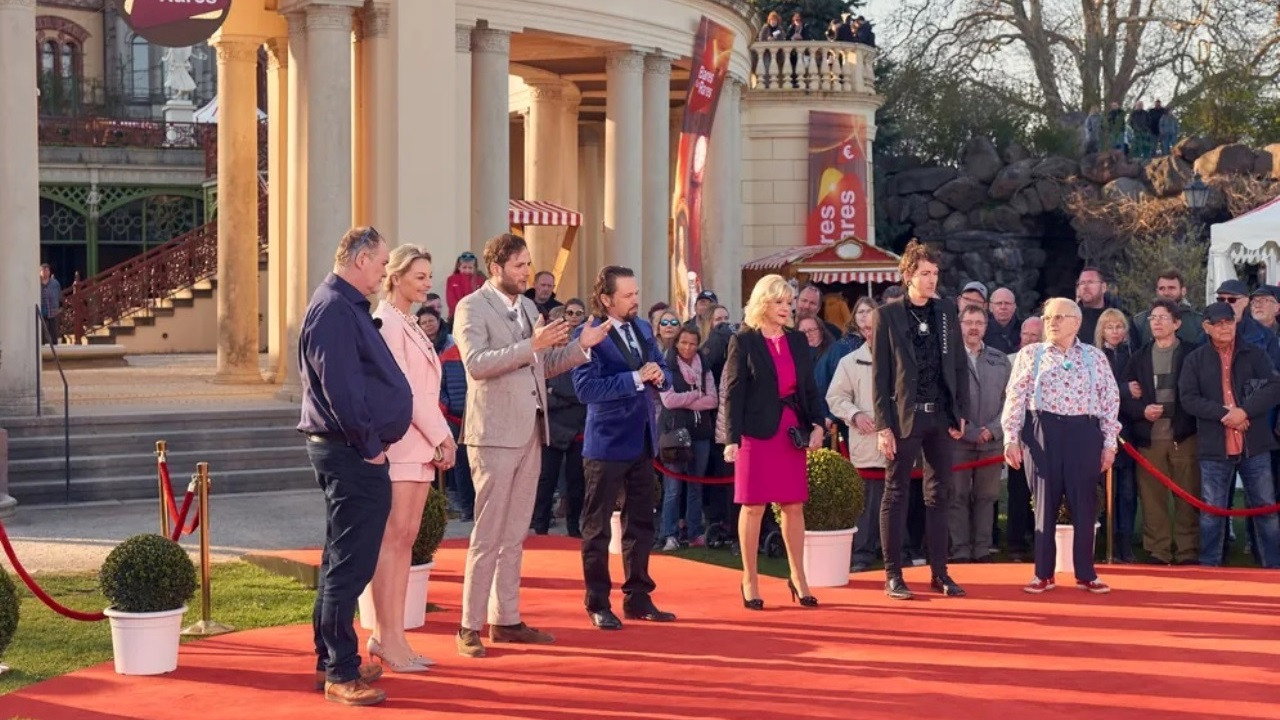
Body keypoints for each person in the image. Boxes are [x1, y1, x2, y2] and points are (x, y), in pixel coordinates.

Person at [452, 234, 608, 658]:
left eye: (527, 264)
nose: (527, 272)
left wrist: (580, 347)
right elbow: (476, 364)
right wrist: (531, 345)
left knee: (515, 533)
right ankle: (469, 625)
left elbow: (543, 365)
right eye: (519, 265)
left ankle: (506, 619)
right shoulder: (471, 307)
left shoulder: (527, 308)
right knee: (488, 534)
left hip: (531, 432)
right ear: (496, 268)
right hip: (493, 433)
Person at [298, 226, 411, 706]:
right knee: (350, 564)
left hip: (349, 449)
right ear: (362, 259)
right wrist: (369, 447)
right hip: (350, 451)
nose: (385, 271)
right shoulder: (333, 309)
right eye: (383, 262)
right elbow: (341, 388)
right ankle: (340, 671)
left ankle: (330, 658)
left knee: (341, 560)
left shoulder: (343, 305)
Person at [572, 265, 676, 630]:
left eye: (636, 293)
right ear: (606, 299)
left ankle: (638, 597)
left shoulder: (643, 328)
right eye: (627, 295)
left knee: (642, 524)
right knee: (597, 528)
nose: (635, 300)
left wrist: (661, 376)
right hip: (606, 443)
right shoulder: (588, 334)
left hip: (643, 440)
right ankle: (598, 602)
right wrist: (635, 378)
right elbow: (586, 389)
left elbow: (663, 369)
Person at [369, 245, 457, 672]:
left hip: (418, 445)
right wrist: (443, 436)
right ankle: (386, 637)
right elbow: (407, 391)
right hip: (403, 444)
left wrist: (435, 438)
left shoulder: (407, 322)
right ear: (396, 276)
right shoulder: (387, 322)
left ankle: (394, 637)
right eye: (420, 276)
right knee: (394, 542)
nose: (427, 284)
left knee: (405, 542)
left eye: (429, 276)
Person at [1002, 297, 1121, 595]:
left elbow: (1110, 401)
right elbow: (1015, 396)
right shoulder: (1031, 354)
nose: (1051, 323)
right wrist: (1011, 438)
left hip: (1084, 431)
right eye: (1047, 318)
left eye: (1058, 317)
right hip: (1042, 431)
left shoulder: (1095, 357)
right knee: (1044, 503)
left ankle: (1086, 574)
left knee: (1084, 504)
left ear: (1076, 322)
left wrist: (1109, 443)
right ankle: (1043, 574)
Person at [872, 240, 969, 600]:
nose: (932, 280)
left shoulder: (945, 311)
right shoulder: (887, 315)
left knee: (939, 494)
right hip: (903, 418)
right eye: (926, 273)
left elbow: (958, 365)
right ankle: (893, 575)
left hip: (940, 417)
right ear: (909, 275)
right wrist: (883, 426)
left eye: (935, 273)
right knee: (896, 494)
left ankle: (940, 573)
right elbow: (880, 376)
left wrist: (960, 413)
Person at [722, 274, 824, 609]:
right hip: (754, 432)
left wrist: (817, 424)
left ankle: (799, 576)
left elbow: (809, 387)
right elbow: (734, 393)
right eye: (779, 302)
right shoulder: (744, 340)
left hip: (790, 430)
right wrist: (732, 439)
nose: (786, 308)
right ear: (763, 303)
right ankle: (749, 578)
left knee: (793, 505)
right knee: (753, 506)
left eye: (788, 302)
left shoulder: (797, 340)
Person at [1178, 302, 1280, 568]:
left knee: (1266, 508)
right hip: (1214, 446)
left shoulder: (1255, 353)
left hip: (1254, 444)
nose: (1225, 328)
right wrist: (1226, 414)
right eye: (1219, 323)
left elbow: (1274, 387)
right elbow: (1188, 399)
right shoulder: (1195, 359)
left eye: (1229, 322)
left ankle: (1272, 567)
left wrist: (1244, 412)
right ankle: (1210, 566)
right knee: (1212, 511)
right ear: (1206, 327)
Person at [1121, 299, 1200, 565]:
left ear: (1177, 323)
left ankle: (1188, 550)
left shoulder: (1192, 354)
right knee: (1152, 498)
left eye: (1163, 317)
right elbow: (1124, 398)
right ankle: (1158, 550)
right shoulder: (1139, 357)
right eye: (1153, 317)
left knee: (1188, 496)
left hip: (1184, 436)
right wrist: (1142, 411)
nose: (1156, 322)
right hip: (1150, 439)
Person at [827, 300, 888, 572]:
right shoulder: (849, 362)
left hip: (898, 443)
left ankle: (898, 551)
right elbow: (835, 397)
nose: (872, 332)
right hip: (866, 443)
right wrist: (855, 415)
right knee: (867, 503)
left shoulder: (903, 359)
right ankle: (862, 553)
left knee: (898, 500)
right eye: (868, 328)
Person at [950, 305, 1011, 563]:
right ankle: (960, 550)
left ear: (986, 327)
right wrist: (967, 430)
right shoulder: (949, 358)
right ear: (959, 325)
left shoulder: (1000, 359)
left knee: (986, 497)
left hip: (991, 441)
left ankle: (982, 550)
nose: (974, 328)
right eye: (968, 322)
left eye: (979, 323)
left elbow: (1010, 400)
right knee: (958, 496)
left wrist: (993, 429)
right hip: (958, 440)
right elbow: (946, 397)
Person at [533, 299, 590, 537]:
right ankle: (540, 528)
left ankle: (574, 528)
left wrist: (557, 393)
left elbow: (582, 392)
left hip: (578, 428)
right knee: (546, 480)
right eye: (569, 313)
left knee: (576, 482)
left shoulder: (581, 355)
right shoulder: (545, 356)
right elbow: (541, 394)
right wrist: (560, 395)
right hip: (552, 428)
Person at [658, 326, 717, 550]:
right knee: (673, 488)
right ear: (676, 343)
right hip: (674, 434)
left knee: (696, 486)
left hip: (700, 433)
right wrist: (694, 395)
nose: (688, 347)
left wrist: (685, 400)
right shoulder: (666, 366)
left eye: (692, 343)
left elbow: (712, 400)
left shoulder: (705, 367)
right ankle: (669, 534)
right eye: (684, 342)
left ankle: (694, 533)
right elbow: (668, 400)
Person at [1097, 307, 1138, 563]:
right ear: (1102, 330)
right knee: (1104, 491)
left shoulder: (1133, 355)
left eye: (1119, 326)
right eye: (1110, 327)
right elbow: (1099, 390)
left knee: (1127, 491)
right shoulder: (1094, 356)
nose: (1115, 331)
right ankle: (1107, 541)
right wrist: (1124, 389)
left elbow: (1139, 390)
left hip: (1128, 431)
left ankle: (1125, 542)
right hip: (1100, 432)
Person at [1005, 315, 1044, 560]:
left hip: (1043, 437)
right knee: (1018, 493)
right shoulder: (1009, 361)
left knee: (1042, 492)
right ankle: (1016, 545)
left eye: (1035, 336)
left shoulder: (1051, 362)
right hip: (1017, 437)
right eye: (1026, 334)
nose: (1029, 339)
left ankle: (1040, 539)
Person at [438, 341, 474, 521]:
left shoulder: (479, 351)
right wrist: (447, 406)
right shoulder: (447, 356)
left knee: (480, 465)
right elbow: (438, 387)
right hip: (455, 419)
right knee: (461, 466)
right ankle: (467, 508)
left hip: (477, 418)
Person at [1215, 279, 1280, 369]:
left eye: (1264, 300)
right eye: (1221, 299)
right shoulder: (1208, 331)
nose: (1257, 305)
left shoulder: (1268, 337)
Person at [1130, 269, 1205, 346]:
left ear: (1183, 291)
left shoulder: (1198, 322)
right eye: (1162, 288)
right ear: (1157, 291)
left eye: (1171, 288)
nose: (1166, 293)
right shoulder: (1140, 321)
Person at [1076, 267, 1124, 346]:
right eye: (1082, 283)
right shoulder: (1072, 318)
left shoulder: (1120, 317)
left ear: (1103, 287)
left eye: (1090, 282)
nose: (1085, 287)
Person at [445, 250, 485, 319]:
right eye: (464, 267)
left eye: (470, 268)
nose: (467, 270)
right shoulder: (451, 279)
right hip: (455, 316)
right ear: (459, 267)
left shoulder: (481, 280)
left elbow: (482, 300)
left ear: (475, 268)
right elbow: (450, 301)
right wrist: (463, 313)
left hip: (475, 316)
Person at [984, 287, 1020, 354]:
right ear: (990, 307)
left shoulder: (1023, 330)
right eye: (999, 303)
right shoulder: (982, 329)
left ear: (1014, 306)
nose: (1003, 307)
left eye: (1007, 303)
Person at [39, 263, 62, 344]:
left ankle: (54, 346)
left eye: (47, 270)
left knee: (53, 330)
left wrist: (59, 307)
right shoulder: (36, 283)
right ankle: (42, 346)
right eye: (43, 270)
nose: (45, 272)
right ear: (40, 272)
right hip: (41, 309)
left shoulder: (55, 283)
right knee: (41, 330)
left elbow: (59, 295)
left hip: (53, 309)